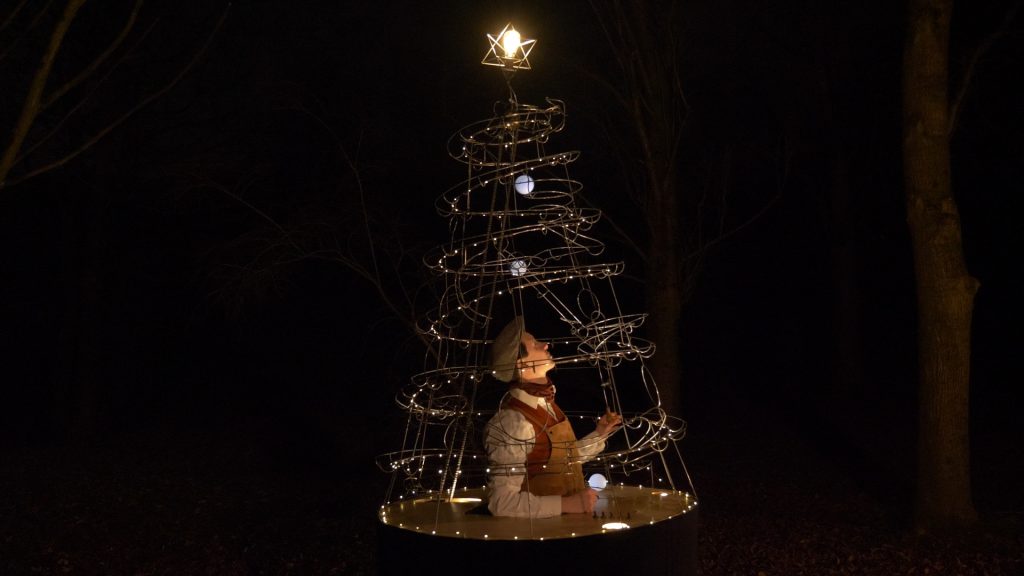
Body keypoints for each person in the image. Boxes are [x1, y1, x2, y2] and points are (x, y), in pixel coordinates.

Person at [483, 316, 622, 518]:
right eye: (534, 344)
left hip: (567, 528)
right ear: (522, 365)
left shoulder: (547, 404)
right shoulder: (513, 422)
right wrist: (567, 504)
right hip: (540, 538)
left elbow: (559, 460)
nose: (545, 345)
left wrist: (599, 434)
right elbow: (502, 503)